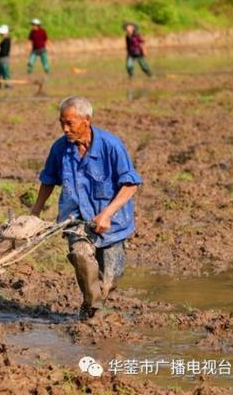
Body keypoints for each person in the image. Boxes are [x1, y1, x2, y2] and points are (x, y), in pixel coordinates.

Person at [31, 96, 141, 320]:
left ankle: (90, 307)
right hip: (76, 219)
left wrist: (107, 214)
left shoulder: (111, 146)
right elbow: (49, 180)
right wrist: (35, 213)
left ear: (87, 120)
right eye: (61, 122)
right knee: (80, 254)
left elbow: (130, 185)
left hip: (113, 224)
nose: (64, 128)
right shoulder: (60, 148)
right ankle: (93, 312)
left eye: (69, 123)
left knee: (109, 281)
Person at [0, 25, 11, 90]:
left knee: (5, 73)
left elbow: (5, 51)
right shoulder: (4, 40)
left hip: (4, 59)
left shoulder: (7, 40)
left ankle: (8, 86)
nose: (0, 34)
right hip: (1, 59)